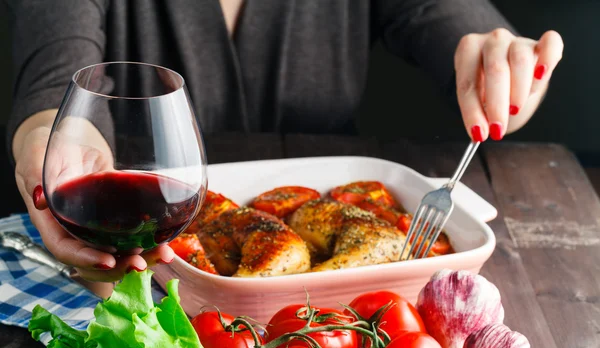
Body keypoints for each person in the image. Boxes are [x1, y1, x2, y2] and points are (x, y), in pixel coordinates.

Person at [5, 0, 564, 281]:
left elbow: (453, 19)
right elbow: (54, 75)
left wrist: (505, 71)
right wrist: (52, 141)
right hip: (135, 256)